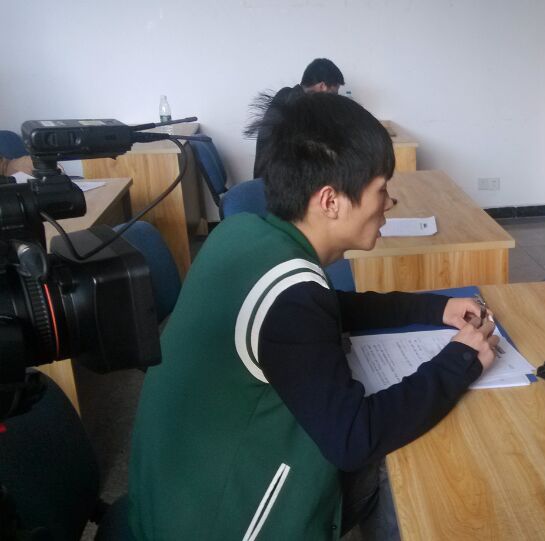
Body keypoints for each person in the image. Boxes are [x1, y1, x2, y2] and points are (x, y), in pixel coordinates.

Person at [128, 92, 500, 539]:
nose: (389, 203)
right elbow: (353, 439)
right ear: (330, 201)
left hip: (172, 495)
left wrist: (434, 307)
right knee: (413, 463)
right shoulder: (293, 296)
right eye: (381, 189)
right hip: (219, 522)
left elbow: (325, 309)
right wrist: (460, 360)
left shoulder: (241, 231)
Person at [253, 58, 345, 178]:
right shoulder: (299, 105)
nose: (334, 99)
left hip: (269, 176)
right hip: (277, 180)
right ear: (322, 86)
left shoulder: (286, 94)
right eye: (333, 93)